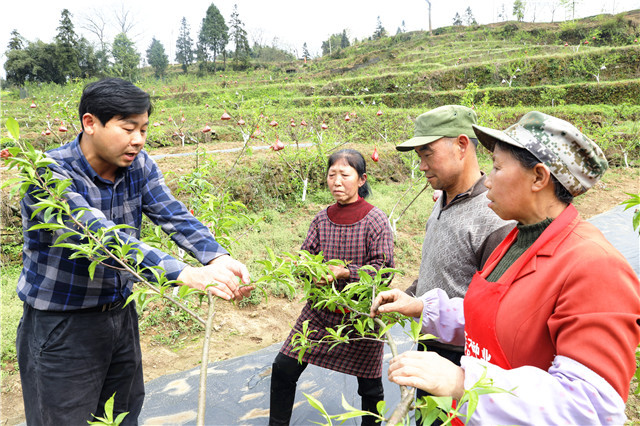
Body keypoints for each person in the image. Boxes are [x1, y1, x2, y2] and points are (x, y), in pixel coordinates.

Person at [372, 111, 640, 424]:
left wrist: (461, 383)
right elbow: (495, 316)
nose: (487, 179)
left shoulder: (595, 267)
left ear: (539, 178)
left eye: (498, 167)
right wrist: (421, 307)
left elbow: (589, 407)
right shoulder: (517, 240)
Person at [16, 78, 252, 425]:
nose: (138, 140)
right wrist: (185, 274)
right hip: (62, 325)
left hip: (119, 316)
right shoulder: (47, 174)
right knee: (65, 419)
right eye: (128, 128)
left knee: (124, 414)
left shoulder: (138, 165)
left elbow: (172, 213)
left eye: (143, 129)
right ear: (90, 123)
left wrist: (217, 257)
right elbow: (98, 236)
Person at [394, 105, 513, 420]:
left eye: (427, 154)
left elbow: (499, 313)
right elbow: (443, 269)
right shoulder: (443, 200)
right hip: (430, 347)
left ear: (462, 145)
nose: (421, 166)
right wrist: (410, 295)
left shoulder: (493, 217)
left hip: (464, 362)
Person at [269, 149, 395, 426]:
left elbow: (383, 270)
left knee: (370, 387)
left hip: (361, 314)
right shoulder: (321, 218)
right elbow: (306, 256)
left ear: (361, 179)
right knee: (283, 367)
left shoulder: (376, 219)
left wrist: (344, 272)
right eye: (331, 174)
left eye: (345, 175)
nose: (337, 181)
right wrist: (305, 269)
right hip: (320, 311)